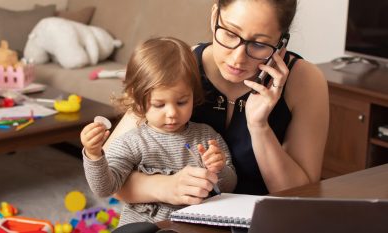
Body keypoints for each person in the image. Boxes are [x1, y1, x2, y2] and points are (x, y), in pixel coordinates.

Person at [109, 0, 329, 205]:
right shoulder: (180, 65)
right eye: (230, 34)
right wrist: (165, 187)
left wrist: (259, 127)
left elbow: (301, 199)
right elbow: (107, 175)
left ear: (281, 43)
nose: (237, 58)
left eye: (260, 44)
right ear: (215, 16)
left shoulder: (305, 81)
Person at [80, 37, 237, 225]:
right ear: (138, 102)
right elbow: (104, 188)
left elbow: (229, 187)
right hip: (143, 228)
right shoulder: (131, 142)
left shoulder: (206, 136)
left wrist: (219, 170)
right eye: (159, 104)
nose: (171, 113)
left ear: (193, 95)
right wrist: (94, 154)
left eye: (181, 102)